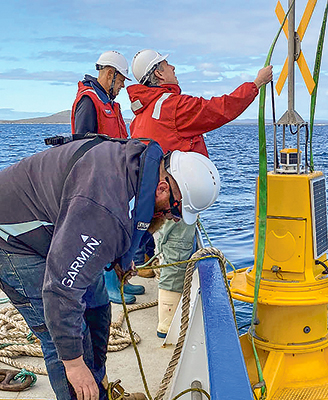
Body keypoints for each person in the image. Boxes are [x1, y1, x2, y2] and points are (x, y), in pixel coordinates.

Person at [0, 135, 220, 400]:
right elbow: (60, 291)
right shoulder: (104, 212)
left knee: (98, 308)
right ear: (163, 188)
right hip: (13, 240)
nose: (171, 218)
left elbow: (135, 215)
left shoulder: (142, 165)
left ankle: (100, 388)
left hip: (60, 228)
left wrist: (122, 260)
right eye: (173, 211)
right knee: (65, 339)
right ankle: (81, 387)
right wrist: (74, 364)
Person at [126, 49, 272, 337]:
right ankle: (168, 327)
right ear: (158, 73)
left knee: (169, 248)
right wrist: (255, 85)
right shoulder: (172, 105)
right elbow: (219, 109)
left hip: (153, 197)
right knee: (177, 252)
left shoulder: (142, 113)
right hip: (176, 197)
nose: (174, 67)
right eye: (168, 65)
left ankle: (175, 311)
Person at [71, 50, 146, 304]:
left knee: (119, 230)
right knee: (103, 233)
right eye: (122, 80)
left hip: (116, 179)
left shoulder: (110, 104)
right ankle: (107, 283)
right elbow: (81, 143)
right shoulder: (89, 101)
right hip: (98, 181)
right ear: (110, 74)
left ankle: (120, 280)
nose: (123, 86)